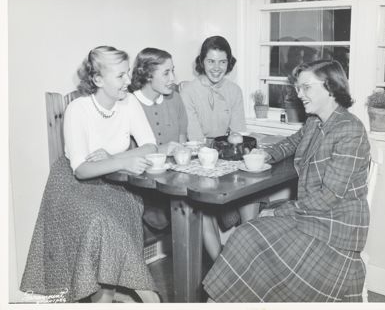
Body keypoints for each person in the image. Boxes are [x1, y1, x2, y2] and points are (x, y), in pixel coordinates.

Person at [203, 59, 371, 302]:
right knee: (247, 234)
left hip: (335, 227)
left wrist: (281, 210)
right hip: (313, 216)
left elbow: (329, 197)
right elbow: (292, 143)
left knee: (249, 234)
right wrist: (265, 154)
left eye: (306, 87)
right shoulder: (316, 121)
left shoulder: (349, 129)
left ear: (331, 87)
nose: (298, 94)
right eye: (298, 87)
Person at [20, 46, 161, 303]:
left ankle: (111, 293)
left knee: (119, 214)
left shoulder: (129, 103)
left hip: (115, 183)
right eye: (120, 76)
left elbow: (151, 145)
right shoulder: (79, 109)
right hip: (71, 186)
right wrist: (122, 160)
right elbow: (82, 169)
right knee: (100, 222)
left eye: (127, 73)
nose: (128, 81)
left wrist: (113, 158)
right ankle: (144, 294)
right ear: (97, 79)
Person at [180, 36, 257, 261]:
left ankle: (245, 265)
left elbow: (238, 133)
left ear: (229, 63)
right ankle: (219, 269)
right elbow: (196, 140)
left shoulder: (234, 91)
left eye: (222, 62)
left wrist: (235, 142)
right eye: (211, 61)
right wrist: (226, 142)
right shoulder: (189, 91)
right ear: (202, 62)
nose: (216, 68)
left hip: (228, 159)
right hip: (200, 161)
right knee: (202, 208)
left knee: (250, 195)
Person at [129, 47, 188, 230]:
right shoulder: (129, 104)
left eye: (173, 71)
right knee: (192, 208)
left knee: (198, 207)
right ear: (147, 75)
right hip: (143, 187)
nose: (173, 79)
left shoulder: (176, 100)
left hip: (175, 181)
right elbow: (127, 157)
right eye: (166, 73)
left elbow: (183, 144)